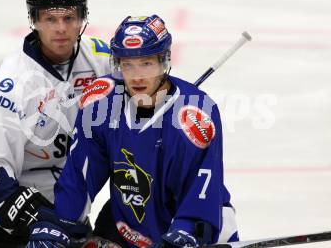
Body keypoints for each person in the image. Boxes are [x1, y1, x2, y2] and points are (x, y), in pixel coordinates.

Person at [40, 14, 239, 248]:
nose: (137, 76)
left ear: (164, 61)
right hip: (125, 228)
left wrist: (186, 232)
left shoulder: (196, 115)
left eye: (146, 63)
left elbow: (202, 187)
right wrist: (60, 224)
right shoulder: (101, 102)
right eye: (127, 64)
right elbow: (81, 176)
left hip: (199, 229)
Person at [0, 0, 112, 248]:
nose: (61, 28)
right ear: (34, 21)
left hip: (66, 213)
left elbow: (144, 91)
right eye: (50, 19)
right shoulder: (11, 83)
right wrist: (44, 218)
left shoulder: (101, 59)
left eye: (69, 17)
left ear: (82, 19)